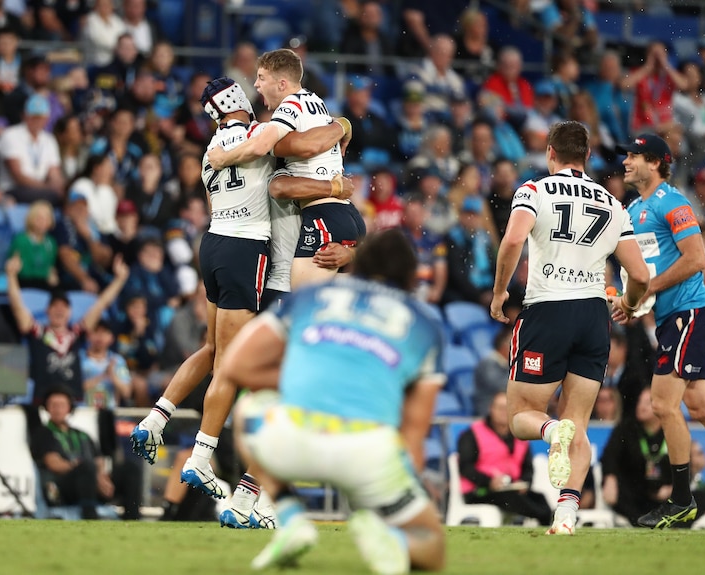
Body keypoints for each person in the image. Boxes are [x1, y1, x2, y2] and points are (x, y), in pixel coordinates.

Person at [130, 76, 355, 528]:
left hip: (213, 244)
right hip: (251, 257)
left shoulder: (209, 155)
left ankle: (159, 421)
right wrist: (338, 145)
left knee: (218, 354)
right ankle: (203, 456)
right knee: (245, 373)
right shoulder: (259, 138)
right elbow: (293, 163)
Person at [220, 229, 446, 574]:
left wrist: (301, 380)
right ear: (411, 276)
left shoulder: (314, 295)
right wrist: (395, 499)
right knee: (431, 546)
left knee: (249, 408)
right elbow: (414, 433)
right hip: (367, 454)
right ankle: (390, 539)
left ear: (361, 261)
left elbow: (236, 365)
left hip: (291, 438)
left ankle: (290, 516)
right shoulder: (427, 324)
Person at [489, 120, 650, 535]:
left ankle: (550, 430)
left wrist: (499, 294)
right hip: (594, 316)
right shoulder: (614, 204)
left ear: (550, 152)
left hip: (548, 311)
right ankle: (566, 515)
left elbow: (511, 241)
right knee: (577, 420)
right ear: (588, 157)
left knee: (523, 415)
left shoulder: (534, 189)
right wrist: (629, 306)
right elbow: (641, 275)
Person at [614, 133, 705, 528]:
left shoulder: (675, 204)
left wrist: (649, 289)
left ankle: (681, 499)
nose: (626, 161)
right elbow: (642, 273)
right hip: (673, 317)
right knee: (703, 408)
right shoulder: (633, 210)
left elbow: (697, 259)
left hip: (690, 314)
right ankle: (682, 499)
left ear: (655, 161)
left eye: (634, 155)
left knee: (663, 403)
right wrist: (633, 303)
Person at [206, 49, 365, 289]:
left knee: (299, 311)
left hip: (322, 217)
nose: (256, 85)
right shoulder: (315, 101)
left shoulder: (290, 105)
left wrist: (223, 158)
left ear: (282, 84)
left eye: (261, 77)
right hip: (346, 216)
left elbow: (262, 146)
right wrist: (343, 124)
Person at [6, 252, 129, 404]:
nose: (59, 310)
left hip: (74, 401)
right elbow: (18, 308)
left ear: (70, 312)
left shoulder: (75, 333)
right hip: (42, 401)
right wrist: (11, 276)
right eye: (55, 306)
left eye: (64, 306)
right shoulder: (37, 331)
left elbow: (100, 304)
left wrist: (119, 280)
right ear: (47, 311)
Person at [31, 385, 142, 520]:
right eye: (53, 405)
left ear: (69, 408)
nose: (58, 409)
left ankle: (132, 518)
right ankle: (90, 516)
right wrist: (85, 470)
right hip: (57, 490)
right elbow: (53, 464)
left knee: (130, 468)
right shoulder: (43, 433)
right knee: (86, 467)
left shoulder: (81, 434)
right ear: (47, 408)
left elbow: (99, 461)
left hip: (91, 483)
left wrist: (101, 477)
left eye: (62, 405)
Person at [458, 391, 552, 524]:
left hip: (511, 488)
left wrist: (525, 482)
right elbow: (465, 467)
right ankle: (546, 518)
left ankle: (549, 519)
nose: (504, 412)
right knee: (512, 498)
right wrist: (489, 481)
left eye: (507, 409)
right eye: (500, 408)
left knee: (539, 497)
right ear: (491, 409)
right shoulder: (472, 434)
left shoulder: (520, 436)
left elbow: (528, 468)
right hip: (480, 490)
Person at [601, 388, 672, 526]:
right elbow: (609, 455)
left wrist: (673, 488)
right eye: (640, 402)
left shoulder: (672, 430)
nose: (641, 406)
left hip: (663, 493)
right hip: (634, 491)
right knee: (622, 490)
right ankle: (641, 522)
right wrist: (610, 477)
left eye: (647, 403)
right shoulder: (626, 428)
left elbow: (684, 463)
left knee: (700, 497)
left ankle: (666, 521)